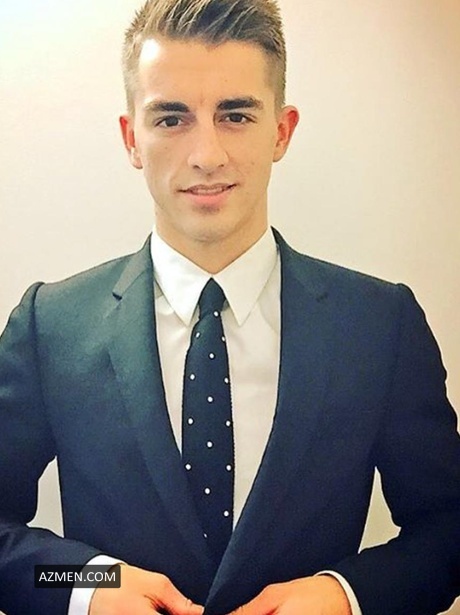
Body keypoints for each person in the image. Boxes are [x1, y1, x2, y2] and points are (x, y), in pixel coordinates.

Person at [0, 0, 459, 614]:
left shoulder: (379, 326)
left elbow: (449, 530)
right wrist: (86, 584)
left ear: (282, 131)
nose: (207, 155)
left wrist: (345, 596)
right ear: (132, 138)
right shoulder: (49, 325)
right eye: (171, 118)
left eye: (236, 115)